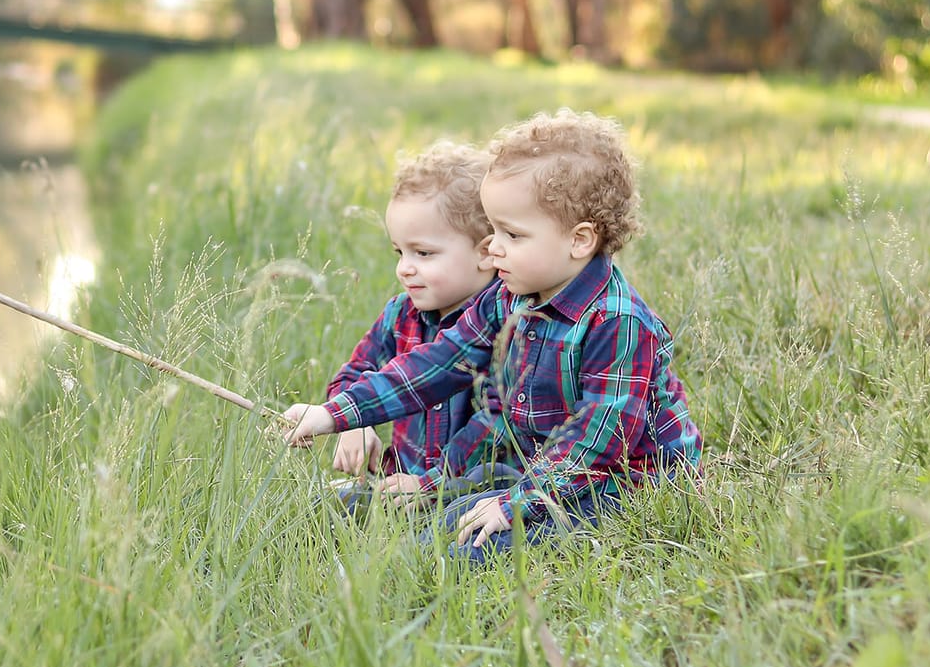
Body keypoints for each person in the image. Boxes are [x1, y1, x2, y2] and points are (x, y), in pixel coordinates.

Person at [283, 109, 701, 562]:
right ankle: (410, 534)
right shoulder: (509, 295)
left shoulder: (618, 324)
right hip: (537, 471)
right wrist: (336, 414)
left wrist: (516, 502)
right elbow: (436, 363)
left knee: (467, 545)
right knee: (450, 519)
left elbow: (595, 442)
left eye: (512, 234)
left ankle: (421, 578)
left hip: (619, 482)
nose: (493, 246)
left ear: (580, 240)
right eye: (492, 227)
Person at [291, 141, 505, 512]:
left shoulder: (505, 322)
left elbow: (496, 429)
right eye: (399, 252)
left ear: (484, 252)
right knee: (313, 507)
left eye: (423, 253)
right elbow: (355, 372)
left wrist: (429, 483)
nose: (405, 268)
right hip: (398, 483)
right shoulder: (401, 314)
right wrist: (354, 422)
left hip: (471, 491)